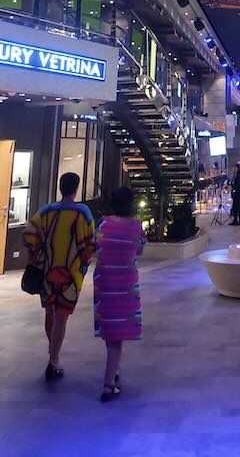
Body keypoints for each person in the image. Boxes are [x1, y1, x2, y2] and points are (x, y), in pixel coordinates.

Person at [23, 171, 95, 381]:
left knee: (50, 313)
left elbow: (29, 234)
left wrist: (36, 257)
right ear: (76, 188)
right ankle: (53, 361)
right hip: (70, 275)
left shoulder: (47, 211)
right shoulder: (83, 213)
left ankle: (52, 351)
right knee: (61, 317)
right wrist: (83, 263)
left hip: (47, 271)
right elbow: (89, 243)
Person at [94, 186, 146, 402]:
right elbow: (139, 249)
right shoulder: (136, 226)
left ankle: (113, 370)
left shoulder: (103, 224)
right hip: (125, 285)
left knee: (110, 331)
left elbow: (96, 244)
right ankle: (108, 384)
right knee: (116, 336)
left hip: (104, 283)